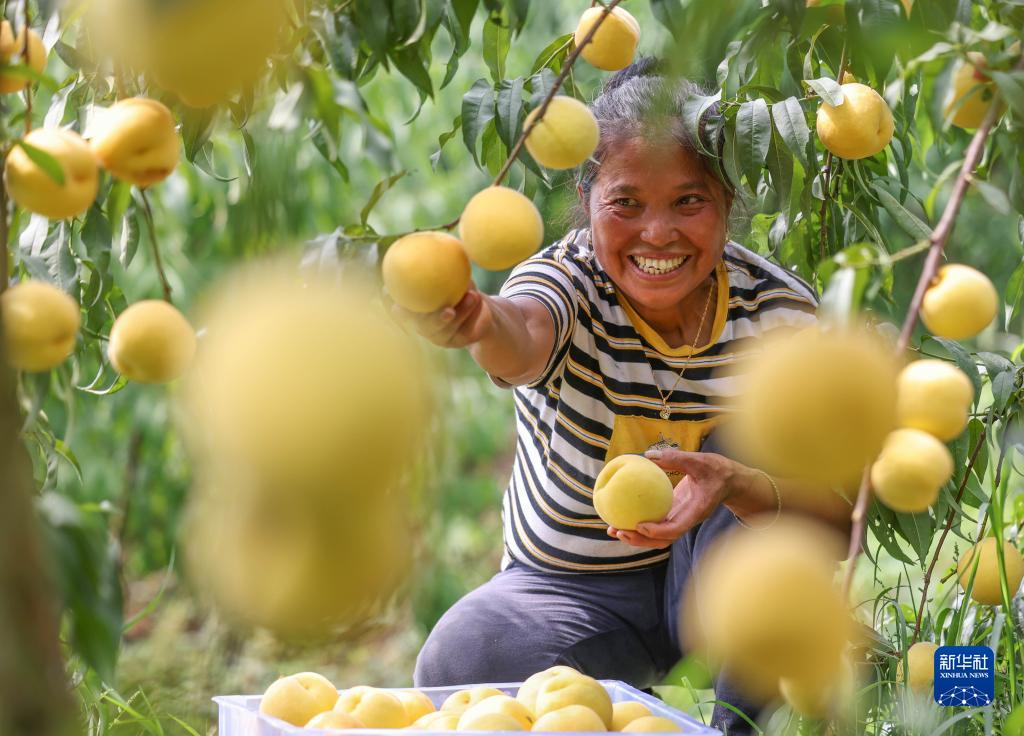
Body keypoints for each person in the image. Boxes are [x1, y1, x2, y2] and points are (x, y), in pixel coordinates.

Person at [401, 59, 853, 734]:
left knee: (757, 439)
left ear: (728, 200)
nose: (658, 233)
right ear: (588, 199)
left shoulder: (778, 313)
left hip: (726, 590)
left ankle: (739, 725)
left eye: (689, 201)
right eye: (627, 203)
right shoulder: (567, 281)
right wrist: (478, 321)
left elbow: (840, 519)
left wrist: (737, 485)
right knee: (465, 657)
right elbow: (522, 331)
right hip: (572, 595)